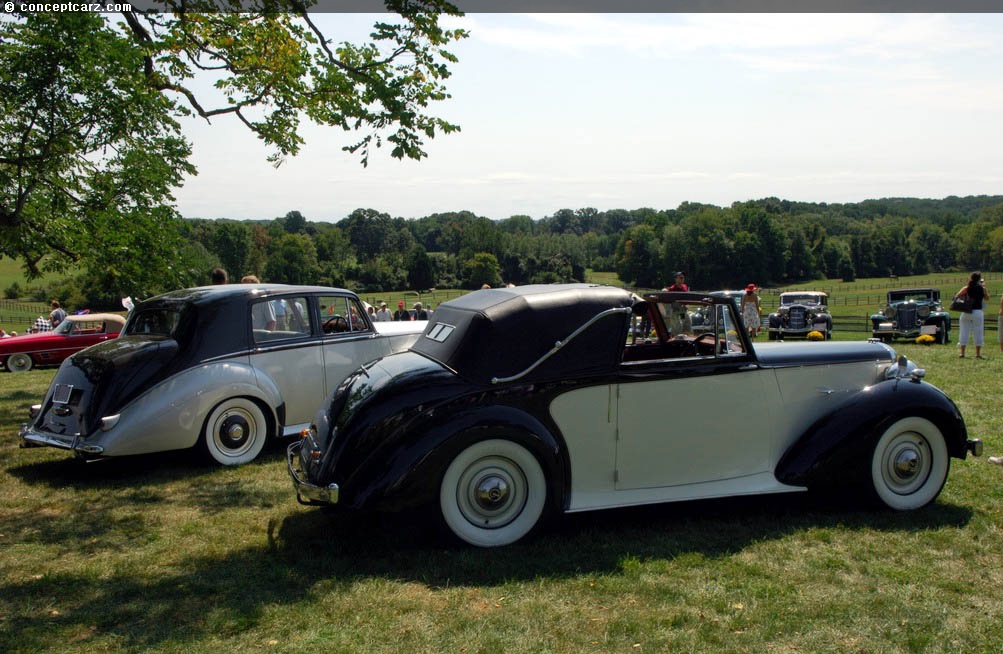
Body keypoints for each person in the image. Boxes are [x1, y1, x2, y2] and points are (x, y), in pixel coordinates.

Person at [956, 271, 989, 359]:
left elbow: (957, 296)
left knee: (963, 331)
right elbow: (987, 298)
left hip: (966, 311)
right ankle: (978, 354)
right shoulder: (982, 288)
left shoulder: (966, 288)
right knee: (978, 332)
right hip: (978, 311)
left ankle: (962, 353)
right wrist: (985, 288)